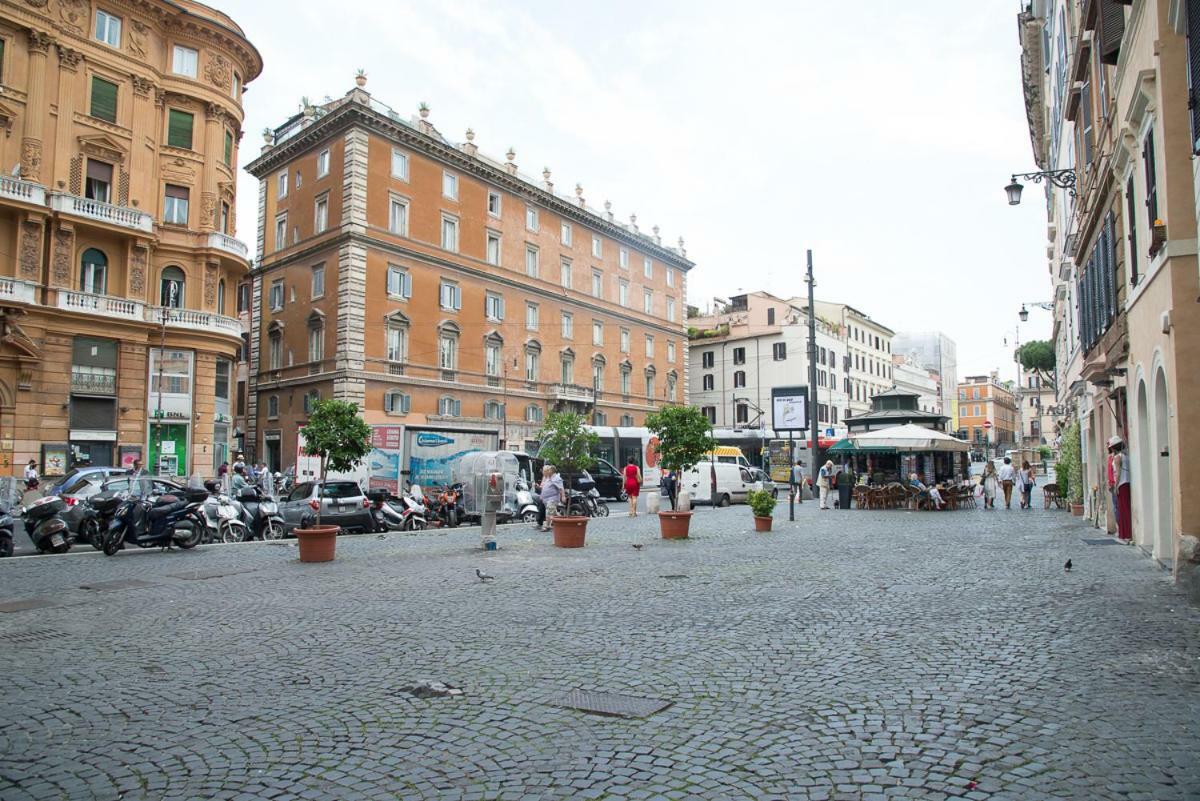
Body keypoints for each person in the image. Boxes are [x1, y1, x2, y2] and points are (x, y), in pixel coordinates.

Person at [1108, 435, 1131, 541]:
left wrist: (1116, 486)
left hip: (1121, 484)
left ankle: (1125, 533)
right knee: (1126, 508)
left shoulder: (1117, 458)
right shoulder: (1125, 456)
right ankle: (1127, 532)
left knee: (1123, 509)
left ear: (1113, 447)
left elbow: (1117, 473)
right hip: (1127, 482)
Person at [538, 465, 563, 531]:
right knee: (553, 512)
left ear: (551, 471)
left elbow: (561, 488)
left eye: (548, 470)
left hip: (552, 499)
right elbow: (544, 487)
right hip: (546, 499)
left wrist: (563, 496)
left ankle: (547, 526)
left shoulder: (556, 478)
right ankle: (562, 520)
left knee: (548, 512)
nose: (546, 471)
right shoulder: (548, 478)